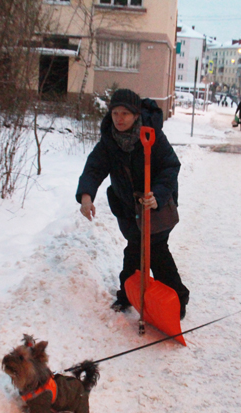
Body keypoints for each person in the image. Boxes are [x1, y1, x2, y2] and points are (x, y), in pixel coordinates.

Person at [76, 89, 190, 319]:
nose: (119, 118)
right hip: (128, 209)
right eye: (115, 112)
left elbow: (171, 166)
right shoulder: (110, 140)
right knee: (134, 250)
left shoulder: (153, 135)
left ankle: (177, 299)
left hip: (155, 206)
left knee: (157, 251)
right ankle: (128, 294)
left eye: (125, 113)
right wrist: (86, 195)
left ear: (136, 114)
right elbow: (94, 168)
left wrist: (157, 194)